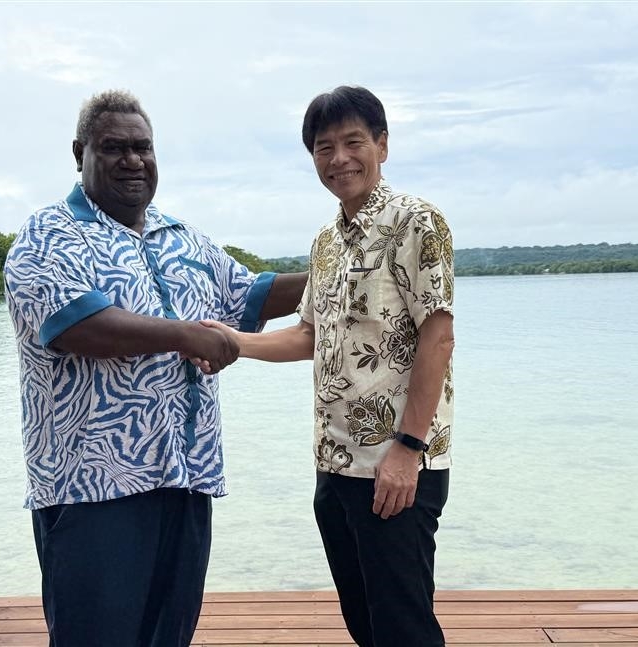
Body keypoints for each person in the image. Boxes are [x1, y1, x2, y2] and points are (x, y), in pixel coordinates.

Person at [3, 89, 306, 647]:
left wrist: (347, 268)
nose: (132, 160)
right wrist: (185, 334)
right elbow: (79, 327)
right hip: (94, 489)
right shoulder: (48, 235)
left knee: (170, 636)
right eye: (114, 147)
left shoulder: (183, 238)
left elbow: (252, 295)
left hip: (186, 478)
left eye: (143, 147)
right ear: (80, 153)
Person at [205, 85, 455, 646]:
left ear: (382, 146)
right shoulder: (326, 243)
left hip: (397, 465)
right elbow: (308, 335)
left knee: (403, 625)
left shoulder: (418, 223)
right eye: (324, 147)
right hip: (335, 462)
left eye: (353, 142)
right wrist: (233, 341)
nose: (339, 158)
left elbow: (437, 338)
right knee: (365, 622)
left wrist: (408, 450)